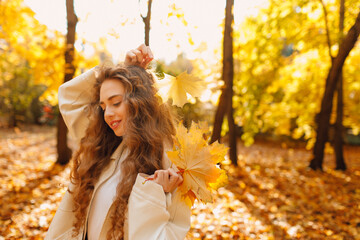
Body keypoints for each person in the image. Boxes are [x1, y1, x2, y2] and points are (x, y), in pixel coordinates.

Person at [45, 44, 191, 240]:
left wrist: (155, 194)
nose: (108, 114)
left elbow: (170, 234)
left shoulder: (172, 161)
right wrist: (122, 67)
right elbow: (68, 96)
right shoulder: (105, 144)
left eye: (115, 103)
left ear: (141, 102)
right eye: (103, 106)